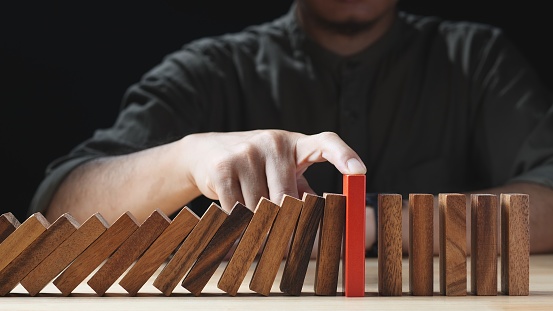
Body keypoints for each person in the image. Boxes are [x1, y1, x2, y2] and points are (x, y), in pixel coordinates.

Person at [29, 0, 553, 255]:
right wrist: (186, 159)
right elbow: (56, 210)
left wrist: (374, 226)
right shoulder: (208, 70)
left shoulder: (478, 59)